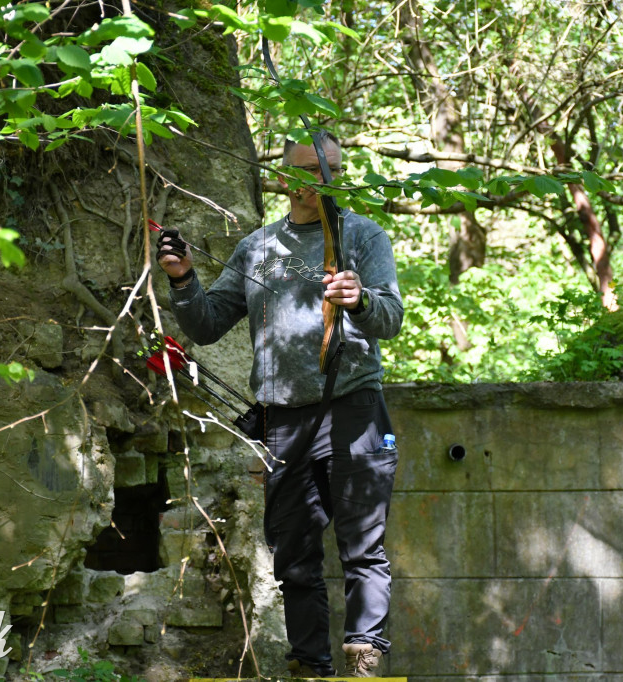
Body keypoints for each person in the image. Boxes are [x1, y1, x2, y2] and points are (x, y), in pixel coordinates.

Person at [156, 130, 403, 678]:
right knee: (292, 551)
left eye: (331, 169)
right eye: (310, 169)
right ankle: (309, 664)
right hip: (284, 418)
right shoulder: (259, 247)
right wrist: (183, 278)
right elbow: (207, 324)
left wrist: (360, 299)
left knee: (363, 545)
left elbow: (391, 318)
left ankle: (365, 656)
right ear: (284, 176)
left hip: (353, 409)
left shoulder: (362, 236)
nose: (322, 180)